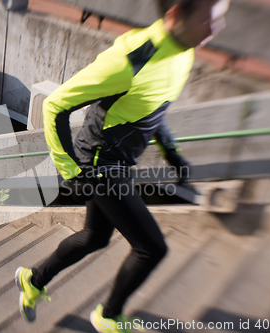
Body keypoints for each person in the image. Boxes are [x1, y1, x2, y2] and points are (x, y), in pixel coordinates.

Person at [15, 0, 231, 332]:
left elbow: (151, 107)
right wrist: (71, 172)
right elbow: (56, 105)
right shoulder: (130, 59)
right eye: (209, 20)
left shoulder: (183, 51)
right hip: (100, 165)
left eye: (220, 19)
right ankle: (108, 316)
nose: (217, 29)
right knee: (151, 248)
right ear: (175, 15)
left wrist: (171, 152)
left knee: (93, 237)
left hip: (118, 161)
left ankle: (33, 279)